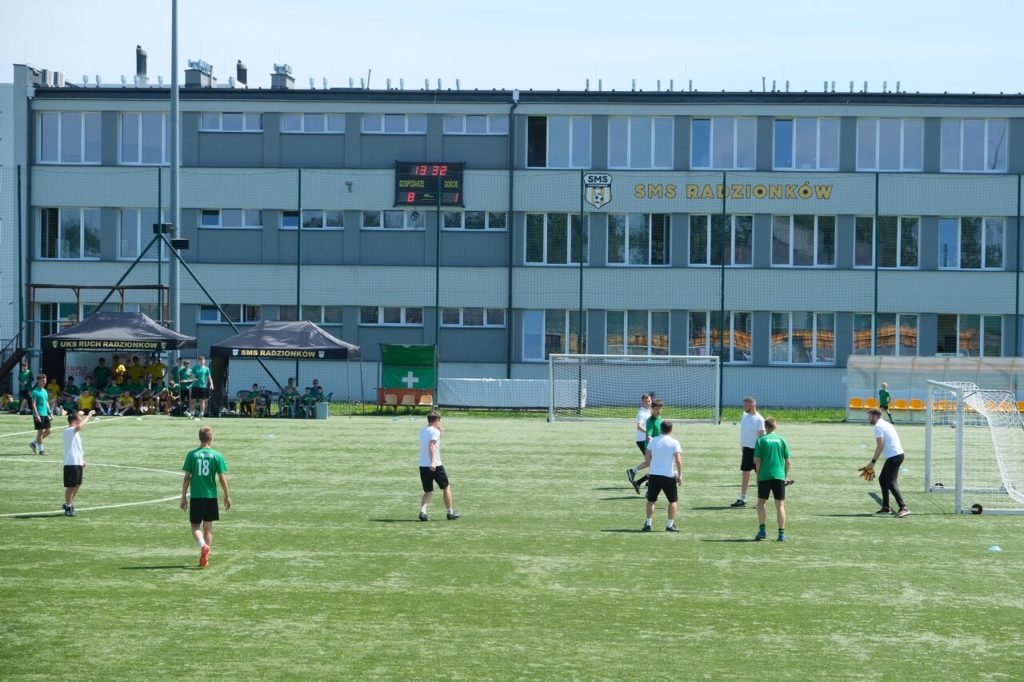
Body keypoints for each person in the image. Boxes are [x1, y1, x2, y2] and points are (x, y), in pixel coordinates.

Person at [180, 426, 231, 568]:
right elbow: (222, 478)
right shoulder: (217, 455)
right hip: (211, 497)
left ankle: (202, 545)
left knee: (195, 526)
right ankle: (205, 556)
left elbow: (187, 477)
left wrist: (183, 497)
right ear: (211, 438)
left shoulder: (192, 455)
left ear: (199, 438)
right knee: (208, 527)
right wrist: (227, 496)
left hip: (196, 496)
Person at [866, 408, 910, 518]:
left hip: (894, 456)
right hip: (897, 455)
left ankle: (903, 507)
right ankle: (886, 507)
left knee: (891, 481)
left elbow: (880, 446)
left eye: (869, 416)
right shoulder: (886, 423)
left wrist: (873, 462)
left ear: (875, 416)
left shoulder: (878, 426)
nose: (868, 419)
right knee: (883, 479)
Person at [641, 419, 683, 532]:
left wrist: (653, 467)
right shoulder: (674, 442)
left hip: (654, 475)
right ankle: (669, 525)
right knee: (672, 501)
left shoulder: (653, 441)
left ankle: (648, 524)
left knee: (651, 500)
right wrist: (680, 475)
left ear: (661, 429)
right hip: (668, 476)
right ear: (671, 430)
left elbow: (647, 456)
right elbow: (678, 460)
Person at [753, 417, 791, 541]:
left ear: (765, 427)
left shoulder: (761, 440)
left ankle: (762, 531)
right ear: (775, 426)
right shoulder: (782, 440)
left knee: (761, 503)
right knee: (780, 506)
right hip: (779, 476)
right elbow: (788, 462)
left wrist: (758, 477)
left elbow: (757, 461)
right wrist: (785, 476)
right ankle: (781, 534)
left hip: (764, 475)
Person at [418, 412, 459, 521]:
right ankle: (450, 512)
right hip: (435, 465)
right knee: (446, 487)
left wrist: (440, 431)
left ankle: (423, 512)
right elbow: (431, 445)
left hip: (423, 464)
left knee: (428, 491)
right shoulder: (434, 431)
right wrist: (432, 462)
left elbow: (432, 440)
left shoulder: (422, 431)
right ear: (436, 420)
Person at [731, 396, 767, 508]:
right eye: (744, 404)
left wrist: (759, 453)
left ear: (753, 405)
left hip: (756, 451)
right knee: (745, 474)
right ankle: (743, 498)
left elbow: (762, 437)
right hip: (746, 450)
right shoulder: (744, 416)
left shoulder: (759, 419)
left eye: (747, 405)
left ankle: (761, 501)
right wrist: (742, 445)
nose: (745, 407)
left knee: (759, 477)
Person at [61, 409, 95, 517]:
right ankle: (68, 507)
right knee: (71, 486)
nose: (81, 420)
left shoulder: (74, 432)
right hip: (71, 463)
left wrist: (82, 460)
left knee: (77, 485)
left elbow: (77, 448)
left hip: (77, 462)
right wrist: (88, 417)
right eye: (79, 418)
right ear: (74, 420)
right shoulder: (69, 430)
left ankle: (69, 504)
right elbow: (79, 427)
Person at [628, 399, 664, 493]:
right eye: (656, 409)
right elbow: (648, 435)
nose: (658, 411)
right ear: (652, 409)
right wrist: (654, 443)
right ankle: (647, 488)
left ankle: (639, 482)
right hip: (651, 449)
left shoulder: (659, 418)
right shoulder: (650, 421)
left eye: (660, 409)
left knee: (655, 469)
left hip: (657, 448)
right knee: (656, 469)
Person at [626, 394, 652, 493]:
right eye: (646, 401)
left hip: (647, 440)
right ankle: (637, 474)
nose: (648, 403)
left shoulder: (648, 411)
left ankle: (633, 472)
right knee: (653, 462)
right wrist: (648, 432)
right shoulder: (641, 413)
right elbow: (639, 426)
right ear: (642, 402)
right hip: (642, 440)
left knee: (652, 461)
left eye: (649, 401)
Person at [30, 374, 53, 454]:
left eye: (45, 380)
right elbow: (33, 404)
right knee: (40, 432)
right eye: (42, 380)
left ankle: (34, 443)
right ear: (38, 381)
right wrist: (37, 415)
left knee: (48, 431)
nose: (44, 381)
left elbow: (46, 402)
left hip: (45, 414)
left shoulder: (44, 391)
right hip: (39, 414)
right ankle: (41, 450)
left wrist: (50, 412)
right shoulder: (35, 391)